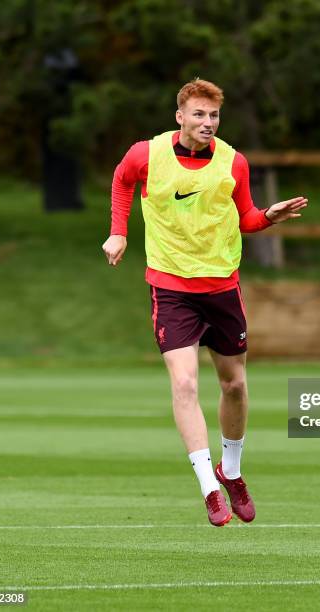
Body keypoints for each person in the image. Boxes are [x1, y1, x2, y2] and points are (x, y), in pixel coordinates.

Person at [102, 78, 307, 527]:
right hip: (171, 288)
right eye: (198, 114)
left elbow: (247, 218)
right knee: (185, 384)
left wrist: (269, 217)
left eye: (213, 116)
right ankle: (208, 488)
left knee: (234, 384)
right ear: (180, 117)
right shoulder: (147, 154)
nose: (207, 122)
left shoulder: (234, 162)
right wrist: (119, 231)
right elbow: (121, 182)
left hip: (221, 288)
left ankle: (230, 472)